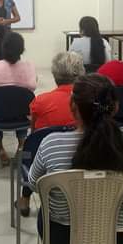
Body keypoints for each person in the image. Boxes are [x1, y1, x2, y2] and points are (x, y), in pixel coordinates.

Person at [29, 74, 123, 244]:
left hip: (62, 242)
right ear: (115, 107)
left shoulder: (51, 144)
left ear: (72, 106)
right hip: (119, 242)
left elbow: (35, 184)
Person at [16, 52, 84, 217]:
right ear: (81, 74)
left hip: (49, 165)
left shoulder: (40, 101)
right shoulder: (89, 101)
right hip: (84, 160)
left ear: (54, 75)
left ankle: (25, 199)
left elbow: (34, 135)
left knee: (31, 151)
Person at [0, 32, 37, 166]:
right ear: (22, 49)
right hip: (21, 116)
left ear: (3, 48)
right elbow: (33, 87)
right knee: (21, 106)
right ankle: (21, 145)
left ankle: (0, 148)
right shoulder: (29, 66)